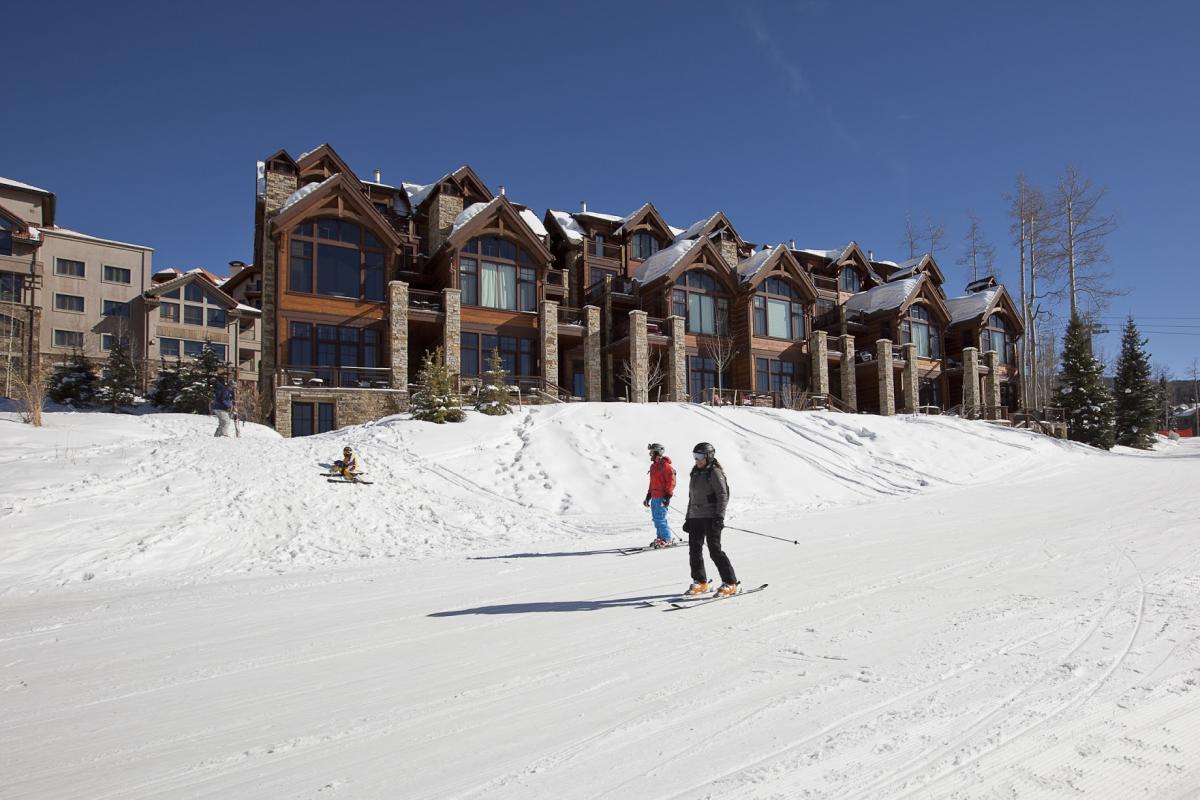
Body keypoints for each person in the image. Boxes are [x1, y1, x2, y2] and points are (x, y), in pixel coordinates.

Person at [682, 441, 739, 597]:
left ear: (709, 456)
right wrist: (688, 518)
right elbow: (691, 498)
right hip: (695, 516)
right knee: (694, 550)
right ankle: (700, 581)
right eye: (695, 456)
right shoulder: (695, 473)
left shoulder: (714, 472)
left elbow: (722, 495)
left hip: (711, 516)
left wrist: (719, 516)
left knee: (714, 551)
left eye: (700, 456)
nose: (697, 460)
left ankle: (730, 582)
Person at [643, 442, 677, 548]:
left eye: (652, 452)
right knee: (656, 519)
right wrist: (648, 496)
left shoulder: (665, 466)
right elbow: (652, 483)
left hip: (662, 496)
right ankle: (660, 538)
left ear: (658, 452)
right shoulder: (653, 467)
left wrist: (667, 496)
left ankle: (667, 539)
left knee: (660, 519)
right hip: (654, 496)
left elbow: (671, 482)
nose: (650, 455)